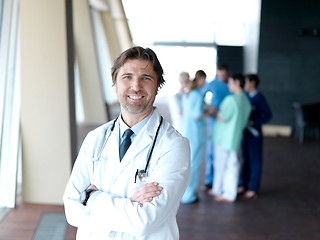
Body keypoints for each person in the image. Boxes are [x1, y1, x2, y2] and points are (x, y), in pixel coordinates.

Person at [63, 46, 191, 239]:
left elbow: (144, 221)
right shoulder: (96, 138)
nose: (136, 86)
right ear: (115, 84)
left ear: (158, 86)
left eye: (146, 78)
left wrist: (92, 197)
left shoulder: (174, 145)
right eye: (127, 77)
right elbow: (71, 208)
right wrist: (129, 203)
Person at [208, 74, 251, 203]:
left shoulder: (231, 100)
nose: (228, 85)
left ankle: (222, 191)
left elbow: (222, 117)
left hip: (223, 137)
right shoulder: (246, 101)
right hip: (235, 137)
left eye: (230, 82)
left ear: (237, 82)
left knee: (221, 165)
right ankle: (226, 192)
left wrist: (215, 111)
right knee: (232, 164)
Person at [238, 74, 272, 200]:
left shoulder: (259, 98)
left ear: (252, 83)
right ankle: (243, 184)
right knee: (245, 159)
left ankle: (253, 188)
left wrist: (254, 122)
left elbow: (268, 115)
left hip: (255, 135)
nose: (244, 85)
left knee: (255, 160)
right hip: (245, 133)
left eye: (246, 82)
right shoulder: (245, 96)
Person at [180, 70, 208, 204]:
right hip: (196, 133)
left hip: (188, 132)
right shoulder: (197, 94)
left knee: (189, 163)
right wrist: (208, 111)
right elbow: (197, 115)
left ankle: (186, 192)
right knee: (195, 164)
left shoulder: (189, 93)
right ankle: (189, 195)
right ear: (202, 79)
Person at [201, 64, 230, 190]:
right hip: (214, 121)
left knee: (228, 151)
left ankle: (225, 180)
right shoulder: (212, 84)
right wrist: (209, 111)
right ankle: (209, 180)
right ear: (217, 74)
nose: (223, 77)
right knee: (211, 151)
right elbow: (200, 99)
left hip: (228, 121)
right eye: (220, 75)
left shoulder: (231, 84)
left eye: (224, 75)